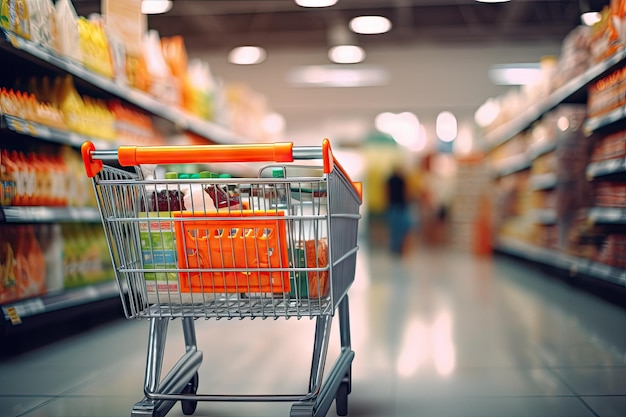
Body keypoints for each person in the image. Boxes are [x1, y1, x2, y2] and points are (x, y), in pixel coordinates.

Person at [385, 165, 411, 255]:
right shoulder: (402, 180)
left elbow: (386, 192)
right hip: (399, 206)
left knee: (394, 229)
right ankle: (398, 248)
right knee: (399, 229)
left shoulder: (390, 180)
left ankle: (394, 248)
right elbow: (405, 193)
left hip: (393, 206)